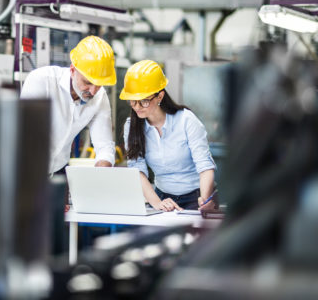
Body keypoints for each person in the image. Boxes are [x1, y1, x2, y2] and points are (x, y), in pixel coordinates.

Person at [120, 60, 217, 212]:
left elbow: (204, 165)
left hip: (196, 196)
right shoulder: (131, 126)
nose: (137, 107)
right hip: (161, 197)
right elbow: (137, 170)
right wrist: (157, 203)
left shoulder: (186, 120)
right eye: (132, 101)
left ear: (159, 96)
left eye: (144, 101)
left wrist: (205, 200)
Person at [21, 35, 116, 176]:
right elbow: (27, 136)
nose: (93, 91)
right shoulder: (42, 81)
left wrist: (101, 175)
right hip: (26, 168)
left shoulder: (99, 97)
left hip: (59, 168)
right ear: (72, 70)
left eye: (99, 84)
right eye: (88, 82)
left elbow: (104, 147)